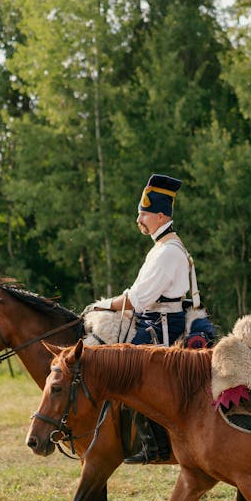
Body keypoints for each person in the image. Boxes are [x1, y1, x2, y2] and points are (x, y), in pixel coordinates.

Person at [91, 173, 215, 464]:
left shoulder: (168, 252)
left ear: (161, 215)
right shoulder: (161, 248)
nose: (139, 219)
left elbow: (137, 300)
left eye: (144, 214)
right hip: (152, 321)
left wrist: (101, 306)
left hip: (161, 328)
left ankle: (156, 447)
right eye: (139, 213)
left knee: (125, 372)